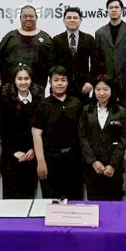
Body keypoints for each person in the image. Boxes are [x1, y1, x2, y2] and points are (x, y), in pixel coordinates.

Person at [31, 66, 84, 200]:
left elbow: (83, 133)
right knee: (51, 202)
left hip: (74, 159)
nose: (60, 83)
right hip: (50, 159)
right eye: (56, 80)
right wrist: (41, 161)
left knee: (75, 201)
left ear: (68, 82)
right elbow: (36, 134)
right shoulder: (43, 105)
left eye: (63, 80)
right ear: (50, 82)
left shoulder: (76, 104)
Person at [78, 76, 126, 201]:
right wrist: (93, 161)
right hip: (92, 167)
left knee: (114, 205)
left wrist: (113, 164)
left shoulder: (121, 111)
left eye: (105, 89)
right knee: (94, 205)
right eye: (98, 89)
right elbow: (83, 137)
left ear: (111, 90)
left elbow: (124, 139)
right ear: (93, 91)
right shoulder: (87, 110)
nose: (101, 93)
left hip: (114, 167)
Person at [0, 65, 42, 199]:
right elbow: (3, 131)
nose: (23, 82)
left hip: (31, 158)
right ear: (14, 81)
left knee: (29, 199)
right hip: (10, 159)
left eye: (26, 78)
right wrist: (14, 152)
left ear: (31, 80)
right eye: (20, 79)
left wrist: (34, 150)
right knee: (10, 201)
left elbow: (41, 130)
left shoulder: (39, 102)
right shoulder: (5, 102)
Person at [94, 0, 126, 109]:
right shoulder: (100, 33)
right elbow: (97, 59)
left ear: (122, 10)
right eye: (111, 8)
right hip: (107, 82)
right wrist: (100, 80)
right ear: (107, 10)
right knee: (109, 111)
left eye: (116, 7)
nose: (114, 10)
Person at [0, 5, 54, 92]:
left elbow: (53, 64)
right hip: (10, 88)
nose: (28, 18)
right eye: (25, 16)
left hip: (37, 88)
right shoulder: (10, 37)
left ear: (36, 17)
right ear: (20, 18)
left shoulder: (46, 39)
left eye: (31, 16)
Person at [51, 6, 100, 100]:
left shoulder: (89, 39)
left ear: (80, 20)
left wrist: (90, 82)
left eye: (75, 18)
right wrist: (56, 82)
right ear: (64, 20)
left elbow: (96, 63)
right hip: (62, 86)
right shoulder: (56, 40)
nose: (72, 20)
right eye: (69, 18)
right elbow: (52, 64)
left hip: (83, 87)